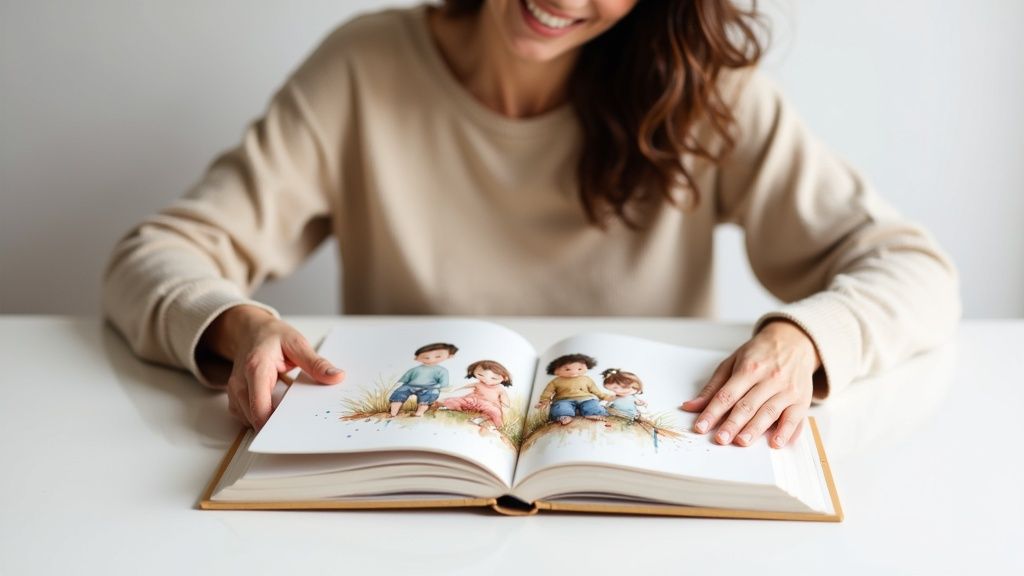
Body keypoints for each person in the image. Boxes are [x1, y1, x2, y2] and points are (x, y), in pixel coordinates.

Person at [102, 0, 960, 447]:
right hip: (411, 491)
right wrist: (235, 324)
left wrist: (803, 339)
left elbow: (913, 267)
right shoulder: (363, 68)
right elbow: (158, 253)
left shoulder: (701, 93)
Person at [534, 354, 613, 425]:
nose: (574, 372)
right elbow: (548, 391)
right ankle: (564, 416)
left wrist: (604, 396)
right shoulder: (556, 381)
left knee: (592, 405)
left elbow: (595, 390)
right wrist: (544, 401)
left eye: (579, 369)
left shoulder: (586, 379)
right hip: (564, 399)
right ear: (556, 371)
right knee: (561, 407)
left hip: (586, 398)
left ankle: (594, 414)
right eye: (567, 369)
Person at [438, 359, 513, 430]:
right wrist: (454, 389)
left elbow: (505, 403)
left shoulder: (500, 389)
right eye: (480, 375)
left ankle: (489, 422)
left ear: (505, 378)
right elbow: (464, 387)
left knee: (495, 412)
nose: (485, 380)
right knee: (454, 400)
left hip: (489, 405)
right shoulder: (478, 384)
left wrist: (505, 408)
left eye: (493, 378)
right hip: (472, 401)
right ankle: (452, 407)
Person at [388, 342, 459, 417]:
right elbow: (404, 379)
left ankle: (419, 413)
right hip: (410, 386)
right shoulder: (414, 369)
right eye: (426, 357)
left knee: (429, 396)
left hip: (430, 387)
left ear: (449, 356)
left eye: (438, 356)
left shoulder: (442, 370)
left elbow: (444, 384)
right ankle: (393, 413)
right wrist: (396, 386)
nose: (431, 359)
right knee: (399, 393)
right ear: (416, 358)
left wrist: (441, 389)